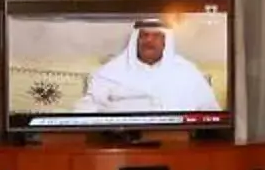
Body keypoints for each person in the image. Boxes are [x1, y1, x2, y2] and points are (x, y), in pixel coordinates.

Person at [80, 17, 220, 111]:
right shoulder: (111, 72)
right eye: (144, 35)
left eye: (156, 36)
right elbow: (87, 108)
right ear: (136, 40)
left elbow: (210, 110)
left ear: (165, 41)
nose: (149, 41)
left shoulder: (187, 72)